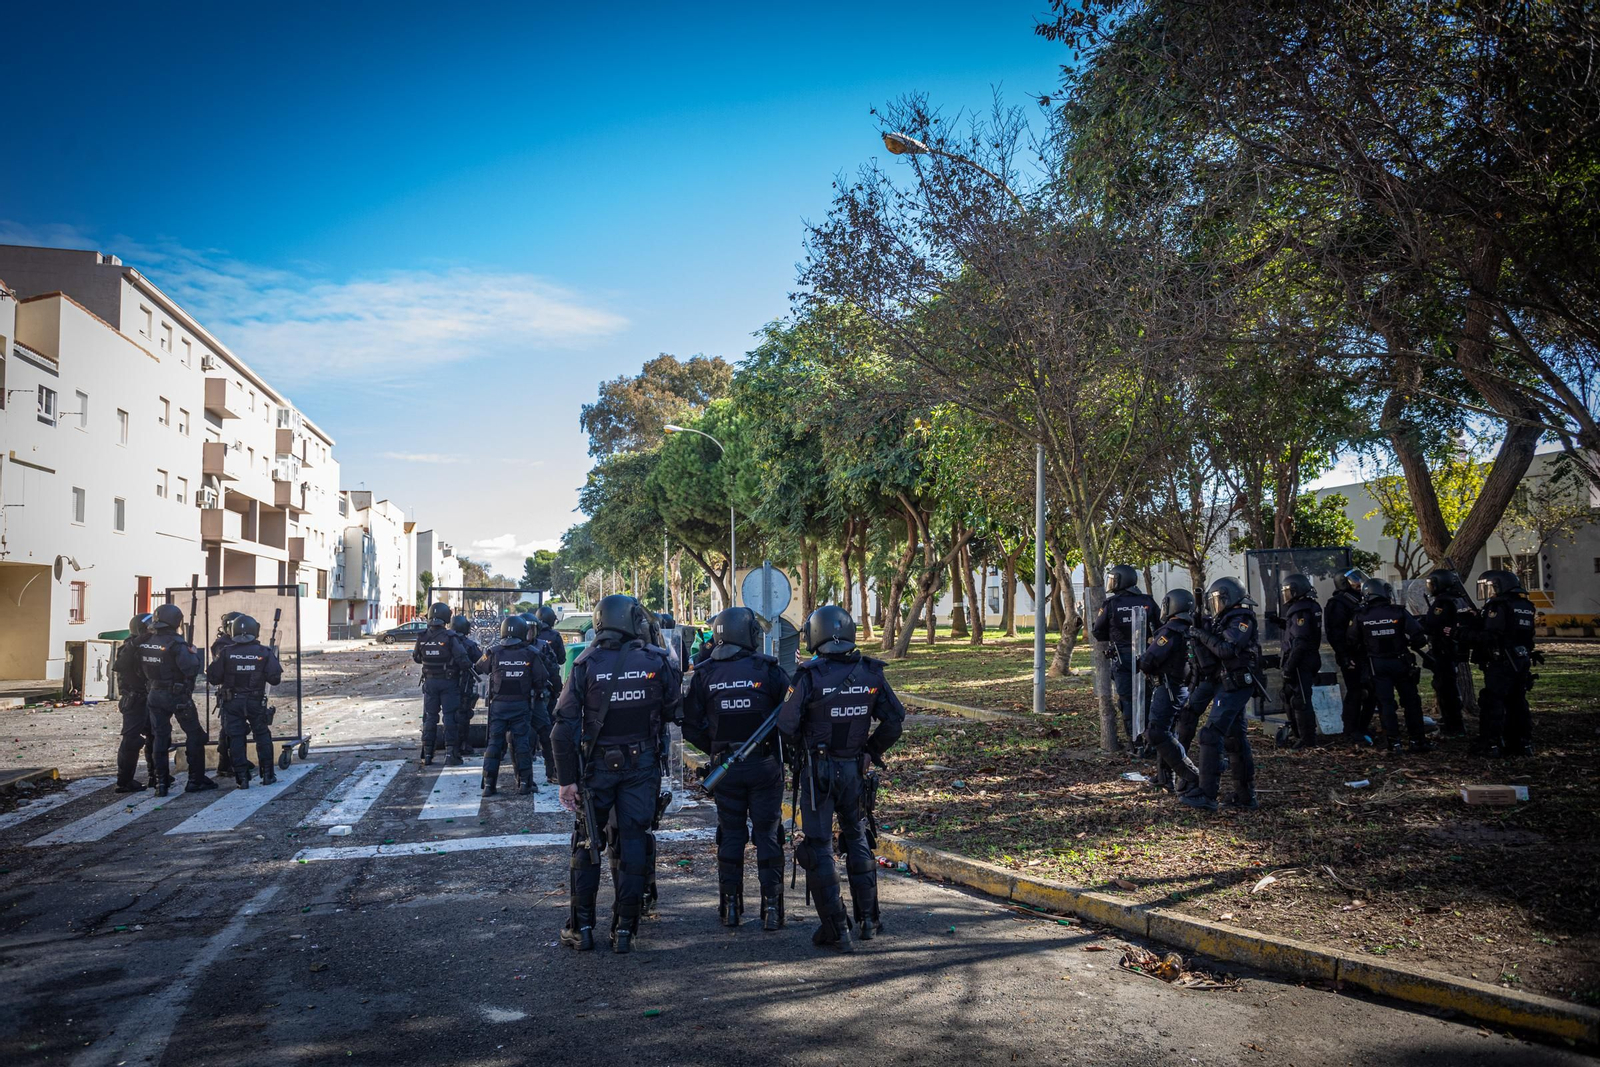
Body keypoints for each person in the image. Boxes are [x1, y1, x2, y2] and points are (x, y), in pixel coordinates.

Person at [552, 595, 681, 954]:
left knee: (587, 843)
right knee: (634, 842)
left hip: (596, 769)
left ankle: (581, 928)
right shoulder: (657, 660)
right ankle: (625, 930)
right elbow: (674, 710)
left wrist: (566, 780)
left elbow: (562, 728)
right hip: (642, 766)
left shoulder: (585, 663)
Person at [776, 605, 906, 952]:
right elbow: (894, 721)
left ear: (816, 636)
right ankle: (869, 920)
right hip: (854, 770)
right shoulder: (871, 672)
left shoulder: (808, 675)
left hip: (818, 773)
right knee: (857, 836)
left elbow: (785, 725)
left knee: (818, 846)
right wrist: (869, 751)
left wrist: (804, 744)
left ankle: (837, 928)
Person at [682, 606, 790, 930]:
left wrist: (717, 747)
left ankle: (730, 907)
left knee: (730, 835)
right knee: (768, 835)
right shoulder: (768, 670)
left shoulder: (704, 673)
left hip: (725, 769)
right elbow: (790, 716)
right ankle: (772, 910)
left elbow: (690, 725)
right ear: (748, 635)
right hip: (765, 767)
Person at [1182, 578, 1259, 812]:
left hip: (1236, 683)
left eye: (1218, 600)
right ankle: (1245, 796)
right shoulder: (1222, 620)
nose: (1216, 606)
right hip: (1222, 682)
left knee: (1210, 734)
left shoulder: (1242, 618)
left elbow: (1227, 649)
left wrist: (1202, 635)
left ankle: (1207, 793)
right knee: (1234, 738)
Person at [1345, 578, 1431, 753]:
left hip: (1377, 665)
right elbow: (1418, 636)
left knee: (1386, 704)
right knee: (1411, 702)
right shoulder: (1398, 612)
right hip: (1401, 662)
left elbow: (1351, 640)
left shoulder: (1361, 615)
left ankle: (1394, 742)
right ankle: (1417, 741)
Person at [136, 603, 211, 797]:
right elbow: (191, 669)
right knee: (195, 735)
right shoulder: (177, 644)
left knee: (160, 737)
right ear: (176, 621)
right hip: (177, 695)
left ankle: (161, 783)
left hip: (154, 694)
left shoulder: (145, 642)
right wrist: (194, 654)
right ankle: (195, 780)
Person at [205, 614, 285, 787]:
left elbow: (213, 677)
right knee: (262, 735)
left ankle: (242, 778)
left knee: (236, 737)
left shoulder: (226, 652)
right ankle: (268, 775)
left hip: (232, 702)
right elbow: (275, 679)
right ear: (255, 631)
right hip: (256, 701)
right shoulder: (264, 652)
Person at [474, 614, 549, 796]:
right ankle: (524, 783)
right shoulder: (531, 653)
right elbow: (541, 679)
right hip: (521, 706)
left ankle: (489, 785)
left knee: (494, 743)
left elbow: (479, 667)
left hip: (499, 706)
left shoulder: (493, 652)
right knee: (522, 744)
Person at [1470, 569, 1539, 757]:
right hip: (1521, 660)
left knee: (1493, 701)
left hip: (1501, 661)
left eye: (1490, 588)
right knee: (1517, 701)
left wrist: (1467, 633)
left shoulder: (1498, 605)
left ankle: (1491, 744)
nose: (1489, 592)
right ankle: (1522, 743)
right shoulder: (1525, 605)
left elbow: (1491, 635)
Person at [1137, 590, 1201, 795]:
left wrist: (1140, 659)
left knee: (1157, 732)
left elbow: (1149, 661)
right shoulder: (1191, 629)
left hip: (1168, 688)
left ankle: (1191, 775)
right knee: (1168, 731)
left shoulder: (1170, 631)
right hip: (1183, 688)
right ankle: (1165, 777)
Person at [1091, 564, 1161, 750]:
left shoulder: (1111, 604)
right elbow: (1159, 626)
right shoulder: (1147, 601)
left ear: (1121, 581)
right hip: (1147, 656)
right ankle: (1150, 740)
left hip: (1122, 658)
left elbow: (1098, 632)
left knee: (1127, 699)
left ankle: (1134, 741)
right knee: (1147, 697)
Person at [1266, 574, 1324, 748]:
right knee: (1288, 695)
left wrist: (1290, 667)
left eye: (1288, 591)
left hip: (1300, 662)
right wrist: (1280, 622)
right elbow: (1296, 630)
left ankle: (1307, 739)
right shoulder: (1305, 607)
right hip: (1303, 659)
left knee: (1301, 700)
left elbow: (1300, 641)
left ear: (1297, 591)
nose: (1286, 595)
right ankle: (1298, 733)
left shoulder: (1301, 610)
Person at [412, 602, 473, 766]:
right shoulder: (450, 637)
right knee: (450, 718)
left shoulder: (422, 636)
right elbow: (463, 660)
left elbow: (416, 658)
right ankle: (450, 754)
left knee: (430, 717)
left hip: (430, 682)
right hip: (448, 683)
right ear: (446, 618)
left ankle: (428, 754)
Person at [1421, 568, 1477, 738]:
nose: (1430, 587)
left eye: (1432, 584)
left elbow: (1432, 624)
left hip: (1444, 650)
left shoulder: (1443, 602)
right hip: (1453, 650)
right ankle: (1452, 722)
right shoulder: (1458, 599)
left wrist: (1418, 623)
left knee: (1446, 689)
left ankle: (1453, 726)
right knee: (1447, 687)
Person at [1325, 569, 1374, 742]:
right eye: (1354, 580)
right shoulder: (1338, 603)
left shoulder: (1362, 599)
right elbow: (1335, 633)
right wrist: (1344, 655)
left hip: (1366, 653)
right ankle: (1350, 729)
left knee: (1371, 691)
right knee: (1356, 691)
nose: (1359, 583)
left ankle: (1363, 726)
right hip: (1351, 654)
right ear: (1343, 583)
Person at [113, 614, 156, 793]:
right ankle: (124, 781)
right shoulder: (128, 647)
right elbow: (119, 665)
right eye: (150, 628)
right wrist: (137, 643)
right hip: (134, 699)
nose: (153, 631)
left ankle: (156, 775)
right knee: (132, 740)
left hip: (149, 697)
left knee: (155, 736)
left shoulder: (148, 645)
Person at [529, 605, 566, 777]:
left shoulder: (525, 641)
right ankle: (552, 769)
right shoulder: (552, 638)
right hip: (546, 688)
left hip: (525, 693)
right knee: (547, 726)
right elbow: (560, 661)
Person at [210, 611, 241, 778]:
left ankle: (237, 760)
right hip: (229, 692)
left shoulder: (238, 642)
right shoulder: (222, 644)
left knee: (238, 729)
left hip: (243, 691)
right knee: (228, 729)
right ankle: (225, 763)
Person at [452, 615, 483, 756]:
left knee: (450, 715)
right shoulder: (469, 645)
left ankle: (451, 746)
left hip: (447, 684)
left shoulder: (446, 641)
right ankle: (462, 745)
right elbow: (481, 663)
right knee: (464, 715)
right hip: (464, 685)